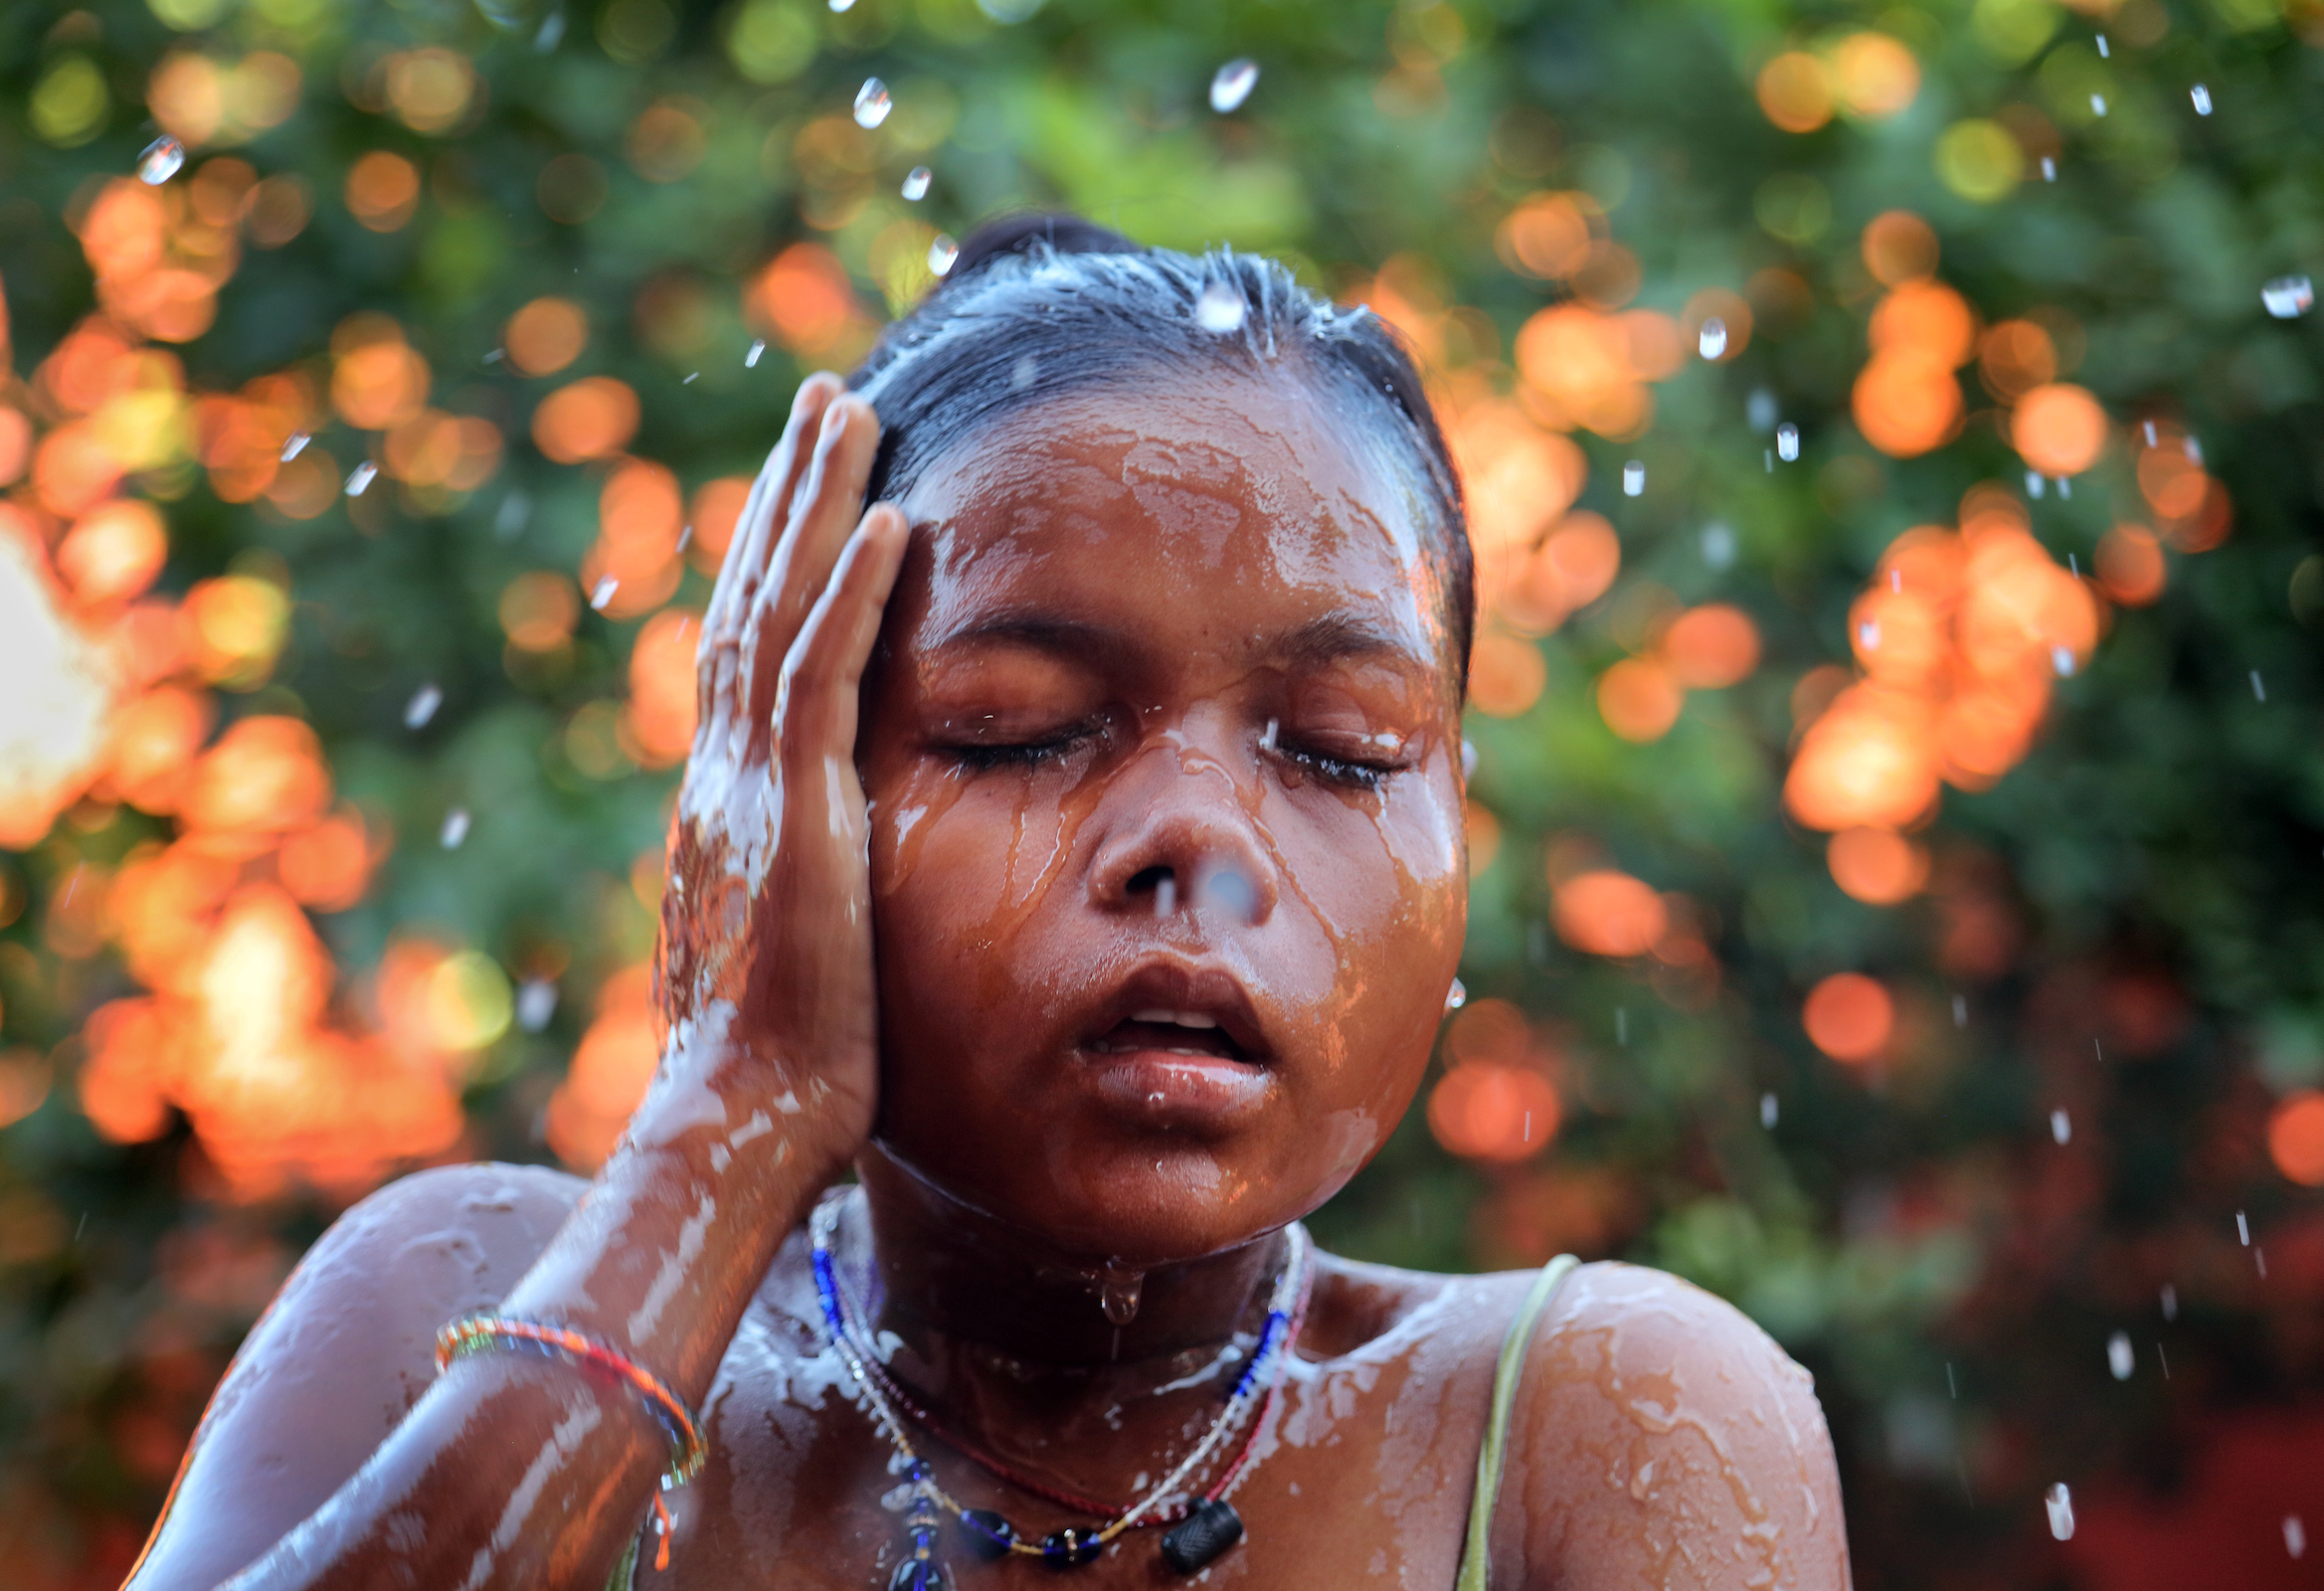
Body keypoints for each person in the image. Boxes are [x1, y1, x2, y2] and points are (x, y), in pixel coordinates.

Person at [121, 216, 1849, 1591]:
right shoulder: (459, 1301)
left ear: (1456, 820)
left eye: (1339, 751)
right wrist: (723, 1122)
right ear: (778, 797)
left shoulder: (1596, 1424)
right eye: (1017, 732)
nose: (1200, 843)